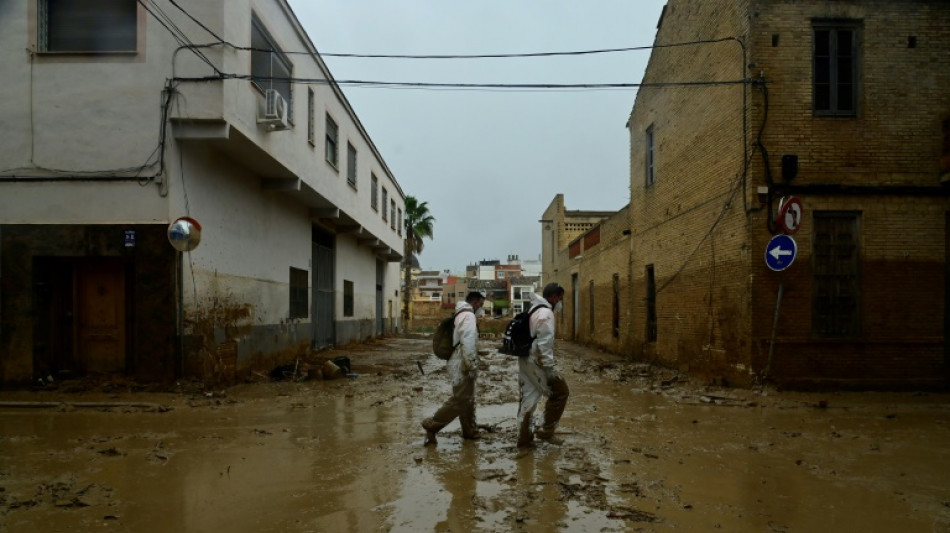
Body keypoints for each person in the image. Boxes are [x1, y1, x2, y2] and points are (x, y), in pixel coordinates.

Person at [422, 291, 486, 445]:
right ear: (475, 302)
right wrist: (471, 364)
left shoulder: (461, 314)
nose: (481, 308)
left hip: (457, 361)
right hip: (462, 362)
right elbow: (468, 340)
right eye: (481, 304)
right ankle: (433, 425)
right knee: (461, 399)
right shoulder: (469, 316)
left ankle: (469, 430)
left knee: (467, 398)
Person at [517, 282, 569, 448]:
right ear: (553, 297)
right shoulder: (546, 314)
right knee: (560, 392)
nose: (561, 301)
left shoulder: (534, 309)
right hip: (536, 360)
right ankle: (545, 430)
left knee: (529, 397)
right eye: (560, 298)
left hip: (526, 358)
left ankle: (524, 439)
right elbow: (545, 344)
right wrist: (549, 370)